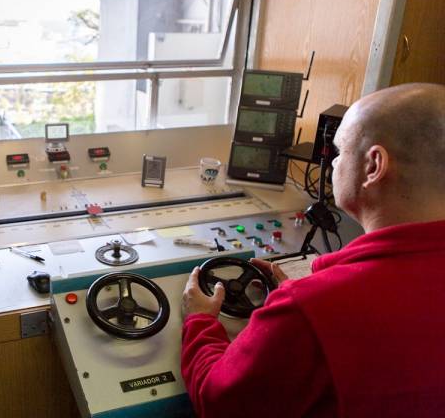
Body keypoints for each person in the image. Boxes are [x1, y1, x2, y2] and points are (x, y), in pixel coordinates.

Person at [181, 83, 445, 417]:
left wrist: (200, 321)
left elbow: (217, 400)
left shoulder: (311, 308)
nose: (332, 165)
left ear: (374, 165)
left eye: (340, 152)